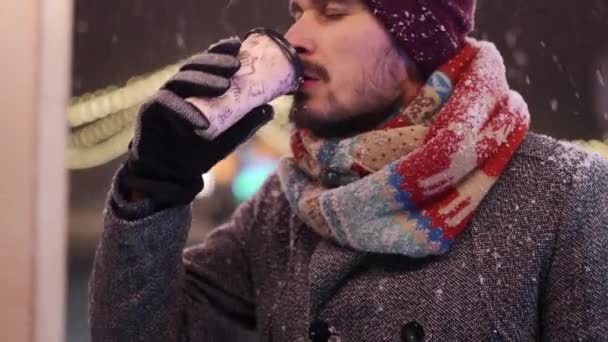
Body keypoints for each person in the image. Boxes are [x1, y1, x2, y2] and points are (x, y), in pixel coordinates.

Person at [89, 0, 608, 340]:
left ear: (416, 39)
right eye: (297, 9)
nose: (295, 36)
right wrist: (156, 186)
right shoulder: (284, 207)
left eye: (333, 10)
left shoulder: (564, 194)